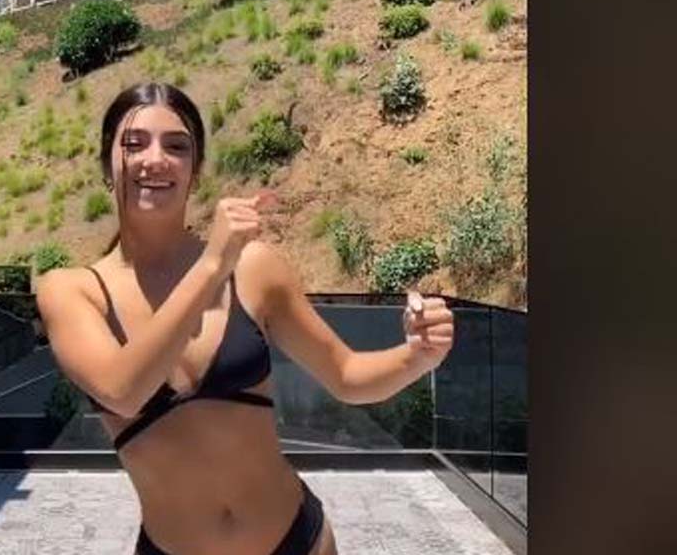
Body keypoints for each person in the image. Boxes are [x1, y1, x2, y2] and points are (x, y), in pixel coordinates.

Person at [35, 83, 455, 555]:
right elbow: (123, 392)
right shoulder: (71, 291)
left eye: (177, 146)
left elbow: (347, 375)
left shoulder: (253, 268)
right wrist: (212, 264)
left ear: (194, 172)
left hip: (297, 541)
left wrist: (419, 355)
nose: (156, 159)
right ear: (106, 164)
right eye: (134, 144)